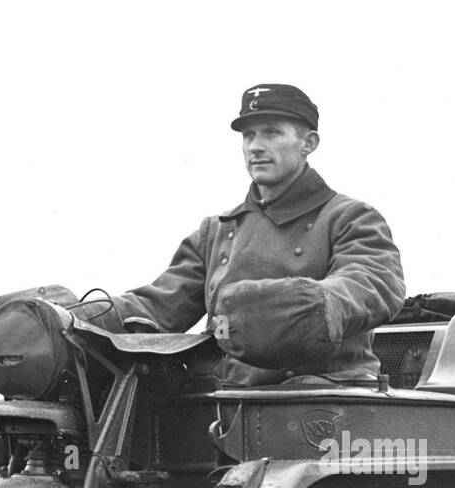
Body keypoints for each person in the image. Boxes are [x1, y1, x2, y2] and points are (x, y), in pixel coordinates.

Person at [79, 84, 406, 387]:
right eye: (249, 136)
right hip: (231, 401)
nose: (256, 147)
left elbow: (374, 281)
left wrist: (306, 305)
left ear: (308, 143)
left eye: (271, 133)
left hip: (320, 401)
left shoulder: (350, 217)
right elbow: (157, 306)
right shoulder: (217, 231)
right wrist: (77, 317)